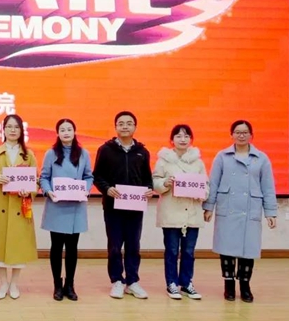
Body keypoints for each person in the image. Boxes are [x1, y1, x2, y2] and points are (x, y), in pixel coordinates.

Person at [203, 120, 277, 303]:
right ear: (232, 135)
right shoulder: (222, 156)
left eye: (245, 132)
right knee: (226, 249)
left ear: (251, 135)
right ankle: (228, 285)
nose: (241, 135)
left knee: (248, 250)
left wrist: (270, 212)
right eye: (237, 132)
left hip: (250, 209)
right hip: (227, 208)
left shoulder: (262, 158)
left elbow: (268, 187)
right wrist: (209, 207)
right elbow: (213, 183)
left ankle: (245, 286)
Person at [93, 111, 154, 299]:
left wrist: (149, 190)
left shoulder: (142, 152)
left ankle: (132, 281)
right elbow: (97, 176)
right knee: (114, 245)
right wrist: (107, 189)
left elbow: (147, 179)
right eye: (121, 123)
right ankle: (117, 281)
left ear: (135, 127)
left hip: (135, 207)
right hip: (113, 207)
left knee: (133, 245)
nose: (125, 126)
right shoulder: (105, 150)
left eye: (129, 123)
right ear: (115, 127)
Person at [0, 114, 38, 300]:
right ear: (3, 130)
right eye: (9, 126)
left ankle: (14, 284)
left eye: (16, 127)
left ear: (21, 131)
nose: (13, 130)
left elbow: (35, 181)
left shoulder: (29, 155)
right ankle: (3, 282)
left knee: (18, 246)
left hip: (20, 206)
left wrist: (28, 191)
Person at [39, 118, 93, 302]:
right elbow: (44, 177)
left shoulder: (83, 154)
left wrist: (85, 189)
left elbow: (89, 176)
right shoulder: (51, 153)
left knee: (72, 248)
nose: (66, 132)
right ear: (57, 133)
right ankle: (57, 285)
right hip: (56, 206)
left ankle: (70, 285)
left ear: (74, 131)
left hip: (76, 206)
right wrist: (48, 191)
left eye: (69, 129)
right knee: (56, 247)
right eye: (62, 130)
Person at [152, 124, 207, 300]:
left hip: (192, 213)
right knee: (172, 251)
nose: (182, 139)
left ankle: (186, 283)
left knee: (189, 251)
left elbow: (206, 186)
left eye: (186, 136)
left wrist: (201, 193)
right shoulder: (163, 160)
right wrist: (165, 183)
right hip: (171, 212)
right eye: (178, 136)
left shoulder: (198, 162)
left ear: (191, 139)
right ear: (172, 140)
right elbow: (155, 183)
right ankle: (172, 283)